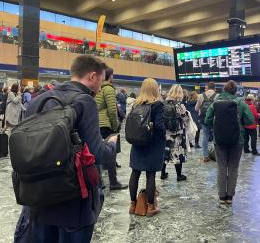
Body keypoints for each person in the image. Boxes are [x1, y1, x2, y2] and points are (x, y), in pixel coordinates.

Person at [25, 54, 117, 243]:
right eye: (101, 79)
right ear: (92, 76)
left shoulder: (38, 101)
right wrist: (112, 145)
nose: (100, 88)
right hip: (73, 199)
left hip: (37, 195)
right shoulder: (85, 101)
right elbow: (97, 153)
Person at [205, 80, 255, 204]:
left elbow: (207, 119)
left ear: (224, 90)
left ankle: (221, 196)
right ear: (235, 91)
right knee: (233, 168)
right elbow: (250, 121)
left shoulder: (215, 103)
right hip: (237, 140)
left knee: (221, 167)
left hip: (219, 139)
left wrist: (217, 125)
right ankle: (229, 197)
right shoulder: (241, 103)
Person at [128, 78, 166, 217]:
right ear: (156, 89)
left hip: (137, 143)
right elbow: (160, 126)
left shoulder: (135, 104)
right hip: (153, 143)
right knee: (150, 175)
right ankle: (150, 207)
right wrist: (164, 137)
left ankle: (133, 205)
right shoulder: (157, 105)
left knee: (135, 172)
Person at [95, 67, 127, 191]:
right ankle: (113, 182)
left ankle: (99, 182)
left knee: (97, 153)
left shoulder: (98, 88)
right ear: (110, 76)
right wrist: (115, 125)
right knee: (111, 154)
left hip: (97, 124)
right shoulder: (108, 89)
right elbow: (112, 110)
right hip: (107, 125)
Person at [161, 84, 189, 181]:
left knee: (165, 152)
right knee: (177, 152)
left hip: (166, 132)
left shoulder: (164, 103)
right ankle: (179, 175)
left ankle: (163, 173)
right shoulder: (179, 104)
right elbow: (185, 118)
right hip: (177, 133)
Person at [195, 82, 218, 162]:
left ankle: (205, 156)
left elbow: (196, 109)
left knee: (205, 136)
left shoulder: (201, 95)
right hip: (214, 119)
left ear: (207, 87)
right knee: (215, 136)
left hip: (204, 119)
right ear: (215, 88)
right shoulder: (217, 96)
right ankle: (216, 155)